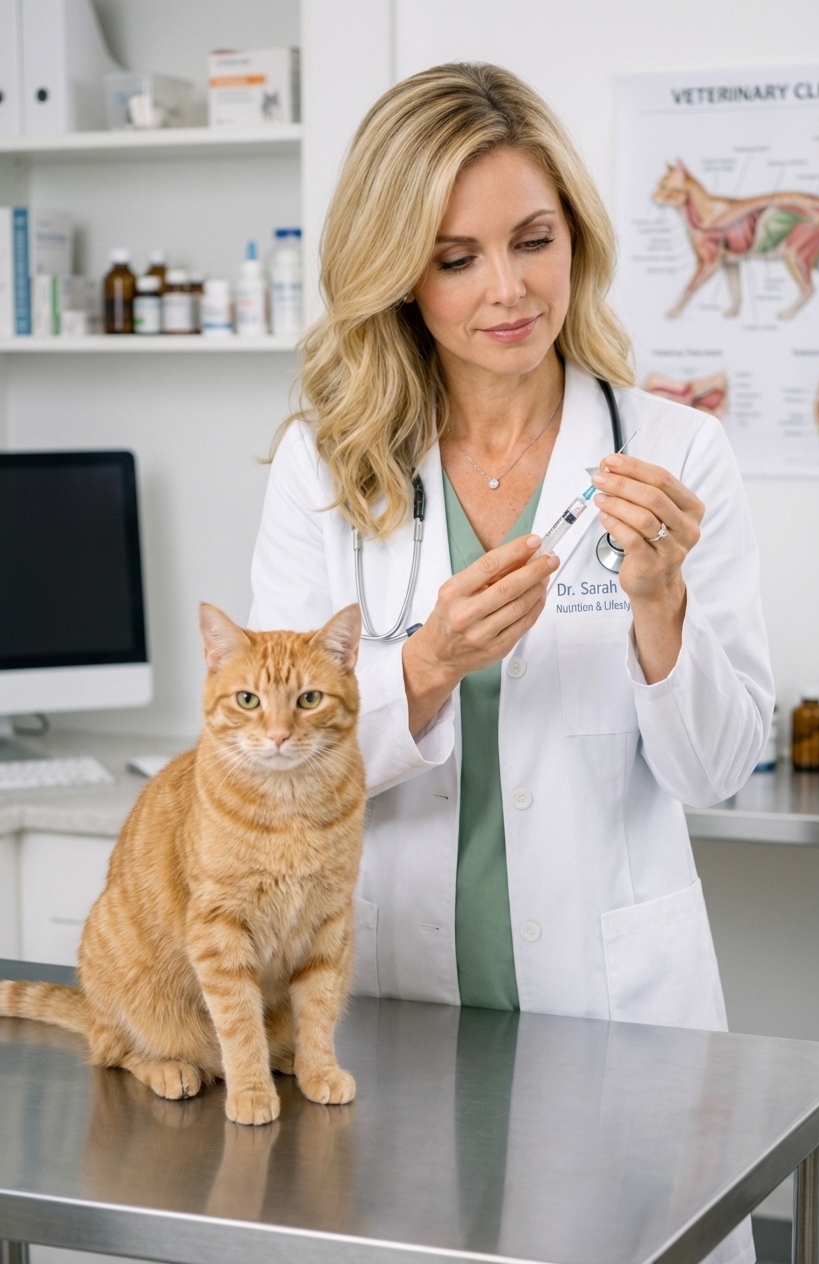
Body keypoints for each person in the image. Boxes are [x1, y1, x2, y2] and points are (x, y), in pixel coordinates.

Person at [250, 63, 771, 1264]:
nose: (509, 288)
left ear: (575, 238)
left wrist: (660, 605)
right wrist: (425, 665)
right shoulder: (325, 472)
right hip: (390, 999)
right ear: (398, 274)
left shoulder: (678, 450)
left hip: (614, 1017)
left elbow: (717, 769)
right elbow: (271, 771)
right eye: (456, 256)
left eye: (533, 239)